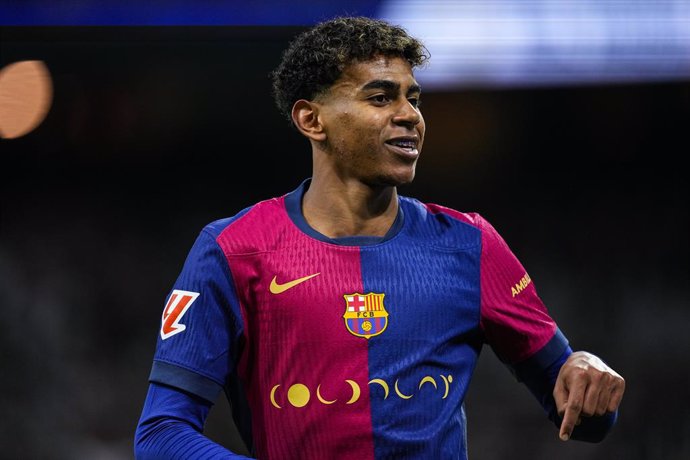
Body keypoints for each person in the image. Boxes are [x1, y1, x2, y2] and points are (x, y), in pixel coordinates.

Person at [134, 16, 625, 459]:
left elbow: (583, 416)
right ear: (312, 119)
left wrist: (586, 376)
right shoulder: (233, 251)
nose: (410, 114)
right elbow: (161, 434)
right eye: (381, 97)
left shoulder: (470, 243)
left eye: (413, 97)